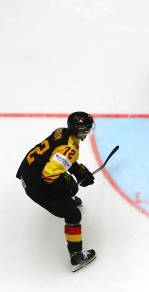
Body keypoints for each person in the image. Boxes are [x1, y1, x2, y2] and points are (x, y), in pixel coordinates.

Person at [16, 112, 97, 272]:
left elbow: (56, 156)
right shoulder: (71, 148)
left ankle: (67, 195)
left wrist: (78, 170)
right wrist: (71, 184)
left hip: (29, 172)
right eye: (85, 130)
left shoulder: (61, 132)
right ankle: (76, 255)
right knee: (73, 214)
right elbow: (49, 176)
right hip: (35, 185)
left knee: (67, 184)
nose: (87, 132)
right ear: (79, 131)